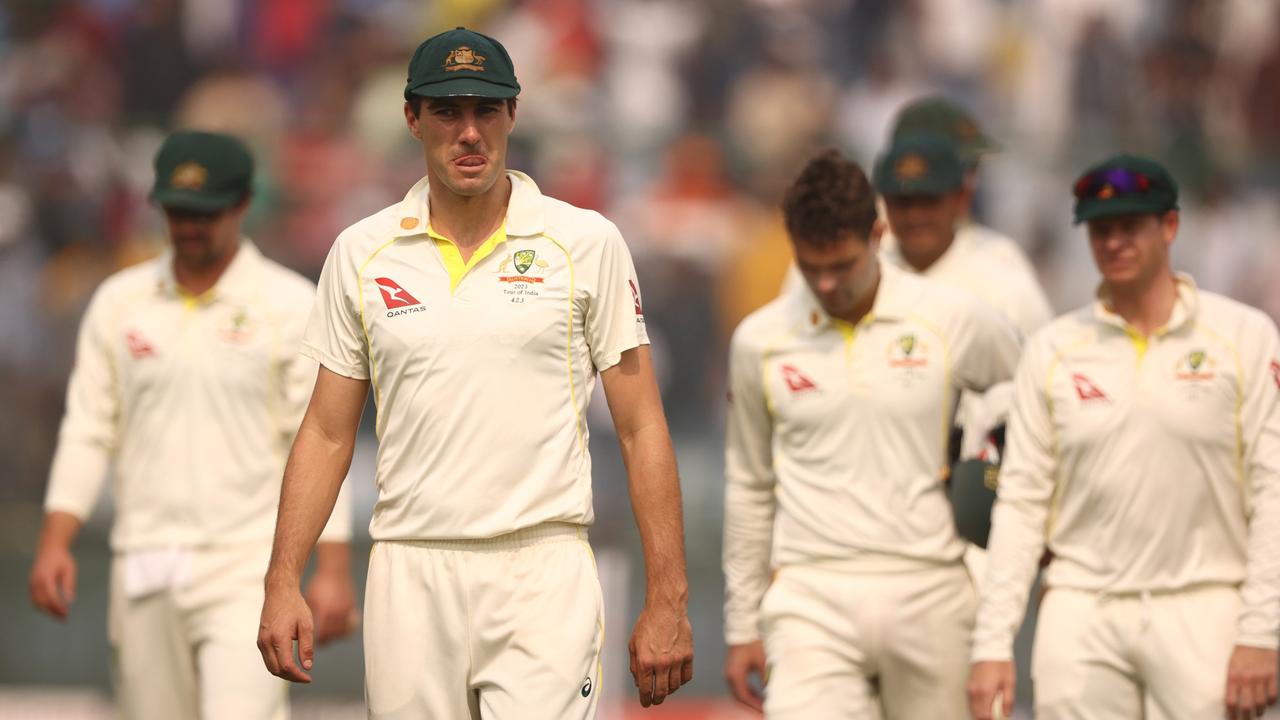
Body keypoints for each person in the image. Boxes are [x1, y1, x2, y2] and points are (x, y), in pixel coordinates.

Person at [255, 27, 694, 718]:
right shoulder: (361, 252)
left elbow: (642, 427)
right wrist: (283, 580)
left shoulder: (585, 243)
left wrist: (668, 600)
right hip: (409, 569)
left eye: (486, 111)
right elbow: (327, 432)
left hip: (542, 568)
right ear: (412, 118)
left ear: (513, 114)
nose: (469, 132)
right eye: (447, 111)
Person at [28, 130, 357, 720]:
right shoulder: (119, 302)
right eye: (177, 212)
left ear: (241, 204)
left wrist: (330, 568)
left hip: (245, 565)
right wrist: (56, 540)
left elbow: (318, 441)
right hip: (144, 560)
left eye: (206, 212)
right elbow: (88, 428)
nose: (189, 226)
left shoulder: (287, 304)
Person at [968, 154, 1280, 720]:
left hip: (1205, 607)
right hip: (1082, 612)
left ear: (1170, 227)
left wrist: (1262, 630)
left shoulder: (1245, 338)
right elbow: (1021, 502)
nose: (1114, 243)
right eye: (1101, 230)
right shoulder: (1055, 349)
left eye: (1130, 227)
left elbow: (1274, 493)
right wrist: (993, 644)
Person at [722, 148, 1021, 718]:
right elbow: (749, 485)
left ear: (878, 234)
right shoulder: (760, 340)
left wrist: (996, 471)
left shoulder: (952, 317)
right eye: (812, 268)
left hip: (931, 588)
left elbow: (1039, 399)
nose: (828, 284)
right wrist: (741, 625)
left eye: (843, 265)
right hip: (810, 595)